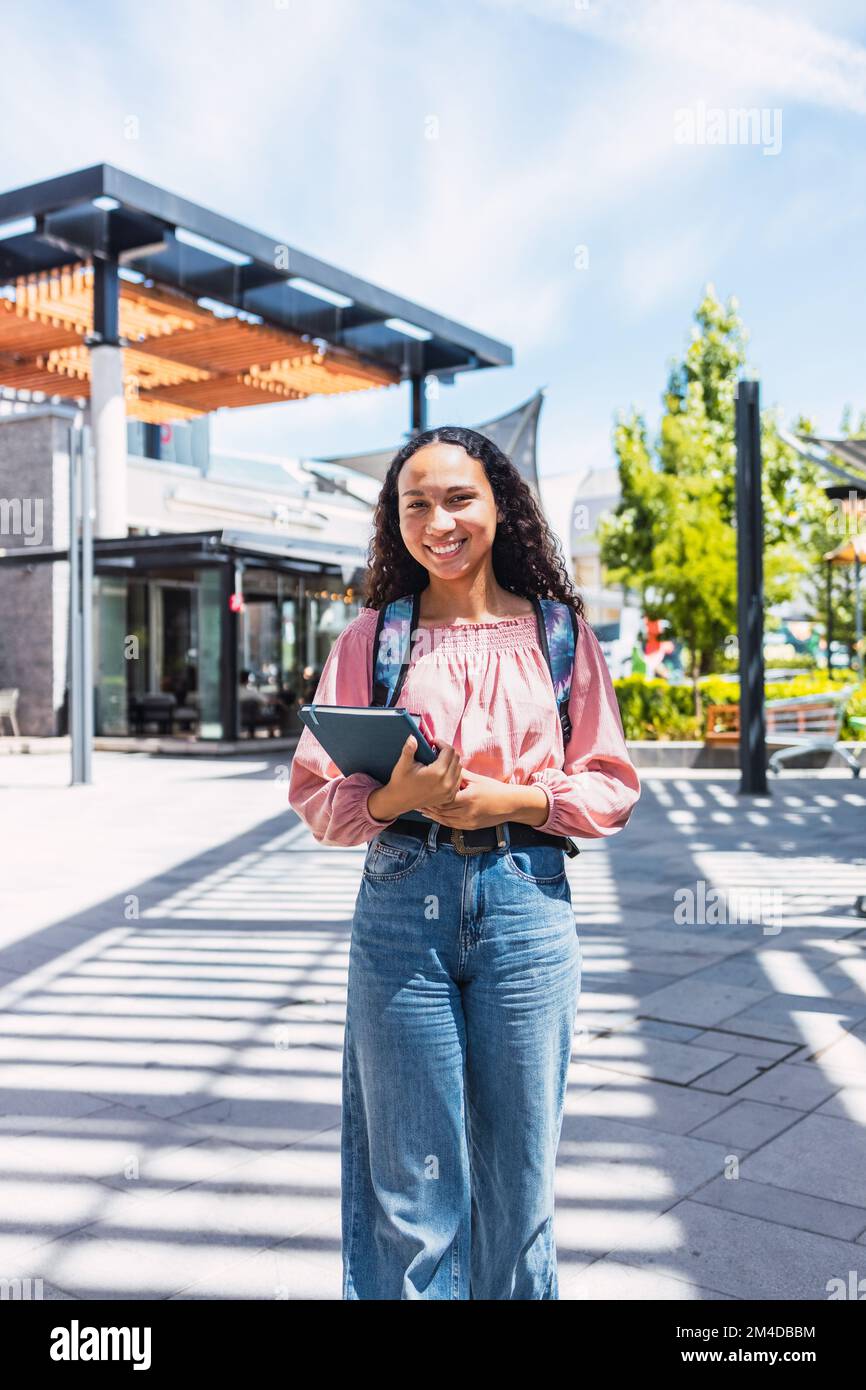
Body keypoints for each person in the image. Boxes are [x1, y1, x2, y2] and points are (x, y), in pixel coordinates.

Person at [288, 425, 641, 1300]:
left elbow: (610, 784)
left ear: (500, 506)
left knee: (520, 1182)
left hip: (527, 902)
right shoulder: (372, 638)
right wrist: (391, 801)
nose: (438, 521)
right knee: (411, 1185)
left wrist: (511, 801)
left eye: (459, 499)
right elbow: (313, 792)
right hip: (402, 902)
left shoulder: (559, 635)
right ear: (395, 519)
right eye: (417, 504)